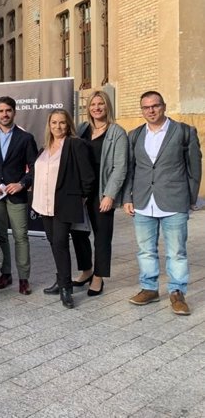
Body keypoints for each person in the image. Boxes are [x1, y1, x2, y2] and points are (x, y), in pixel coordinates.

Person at [124, 91, 202, 316]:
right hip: (142, 201)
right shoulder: (135, 135)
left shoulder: (184, 131)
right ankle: (149, 288)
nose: (151, 110)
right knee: (145, 250)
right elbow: (131, 169)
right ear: (142, 110)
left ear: (163, 106)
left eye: (155, 106)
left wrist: (190, 198)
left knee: (176, 251)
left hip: (174, 200)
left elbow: (194, 168)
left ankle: (177, 292)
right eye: (146, 107)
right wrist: (128, 198)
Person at [32, 109, 94, 309]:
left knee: (60, 243)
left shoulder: (76, 144)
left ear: (68, 125)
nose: (58, 127)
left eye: (62, 123)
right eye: (54, 123)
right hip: (44, 203)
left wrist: (81, 199)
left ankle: (66, 288)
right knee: (53, 242)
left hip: (64, 204)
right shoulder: (44, 148)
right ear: (49, 126)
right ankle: (61, 280)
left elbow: (88, 176)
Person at [0, 96, 37, 295]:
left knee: (21, 237)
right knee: (1, 236)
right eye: (1, 111)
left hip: (16, 195)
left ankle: (24, 278)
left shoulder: (25, 138)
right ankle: (6, 273)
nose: (4, 114)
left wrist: (21, 184)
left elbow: (34, 168)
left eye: (8, 110)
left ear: (14, 112)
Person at [70, 91, 128, 296]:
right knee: (78, 232)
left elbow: (120, 167)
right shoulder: (82, 129)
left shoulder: (117, 132)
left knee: (102, 235)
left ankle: (99, 277)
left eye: (100, 103)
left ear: (107, 106)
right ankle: (87, 270)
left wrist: (110, 195)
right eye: (93, 104)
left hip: (102, 192)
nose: (96, 107)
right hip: (81, 191)